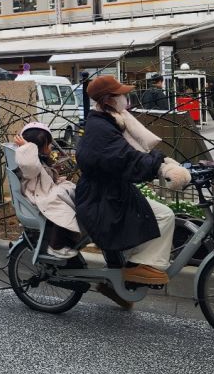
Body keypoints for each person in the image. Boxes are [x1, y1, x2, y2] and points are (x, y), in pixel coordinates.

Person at [74, 75, 189, 286]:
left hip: (109, 192)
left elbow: (133, 154)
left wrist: (162, 161)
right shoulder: (101, 128)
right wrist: (159, 167)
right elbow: (126, 159)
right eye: (121, 95)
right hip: (102, 199)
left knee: (156, 215)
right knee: (164, 215)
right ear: (108, 100)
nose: (125, 98)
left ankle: (124, 278)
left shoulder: (109, 121)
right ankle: (140, 267)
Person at [14, 121, 134, 310]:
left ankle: (115, 276)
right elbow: (30, 166)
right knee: (76, 212)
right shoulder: (28, 161)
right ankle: (57, 246)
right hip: (45, 198)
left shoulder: (38, 161)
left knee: (88, 203)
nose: (51, 147)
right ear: (35, 148)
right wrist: (27, 147)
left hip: (51, 192)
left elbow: (45, 175)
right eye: (47, 144)